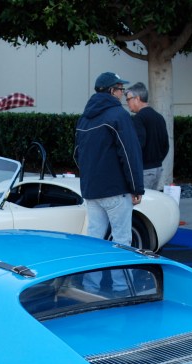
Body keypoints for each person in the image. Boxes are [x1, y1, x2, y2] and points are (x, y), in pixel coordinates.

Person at [74, 71, 144, 245]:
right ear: (112, 91)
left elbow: (77, 154)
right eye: (121, 89)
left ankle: (91, 273)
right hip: (115, 190)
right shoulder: (119, 115)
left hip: (91, 190)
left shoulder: (84, 118)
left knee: (94, 239)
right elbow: (129, 154)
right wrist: (136, 187)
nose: (122, 93)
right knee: (122, 241)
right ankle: (121, 274)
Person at [125, 82, 169, 191]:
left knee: (141, 204)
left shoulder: (139, 119)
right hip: (158, 169)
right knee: (150, 203)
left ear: (137, 98)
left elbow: (138, 145)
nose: (127, 103)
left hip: (144, 170)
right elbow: (166, 145)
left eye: (128, 99)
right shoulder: (159, 117)